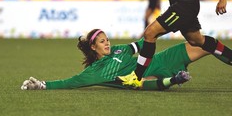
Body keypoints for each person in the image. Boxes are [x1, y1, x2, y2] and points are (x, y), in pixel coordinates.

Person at [21, 29, 230, 91]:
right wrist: (42, 85)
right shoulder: (95, 72)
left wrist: (160, 29)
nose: (108, 44)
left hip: (162, 58)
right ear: (93, 47)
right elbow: (69, 82)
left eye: (107, 40)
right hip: (148, 76)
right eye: (102, 42)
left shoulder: (119, 50)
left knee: (209, 44)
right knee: (141, 84)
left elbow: (141, 44)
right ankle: (173, 79)